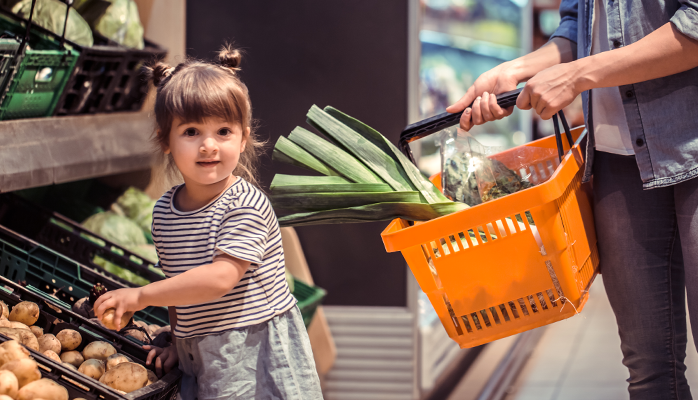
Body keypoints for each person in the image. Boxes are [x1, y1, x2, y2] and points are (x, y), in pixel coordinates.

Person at [447, 0, 698, 398]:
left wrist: (578, 75)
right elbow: (579, 24)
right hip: (619, 158)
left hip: (692, 144)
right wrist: (515, 70)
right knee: (649, 369)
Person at [93, 45, 323, 400]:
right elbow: (179, 283)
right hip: (201, 352)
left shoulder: (245, 203)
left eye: (224, 132)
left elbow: (220, 279)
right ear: (165, 140)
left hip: (254, 353)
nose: (208, 146)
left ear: (244, 138)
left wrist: (140, 295)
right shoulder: (165, 210)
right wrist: (177, 340)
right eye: (191, 132)